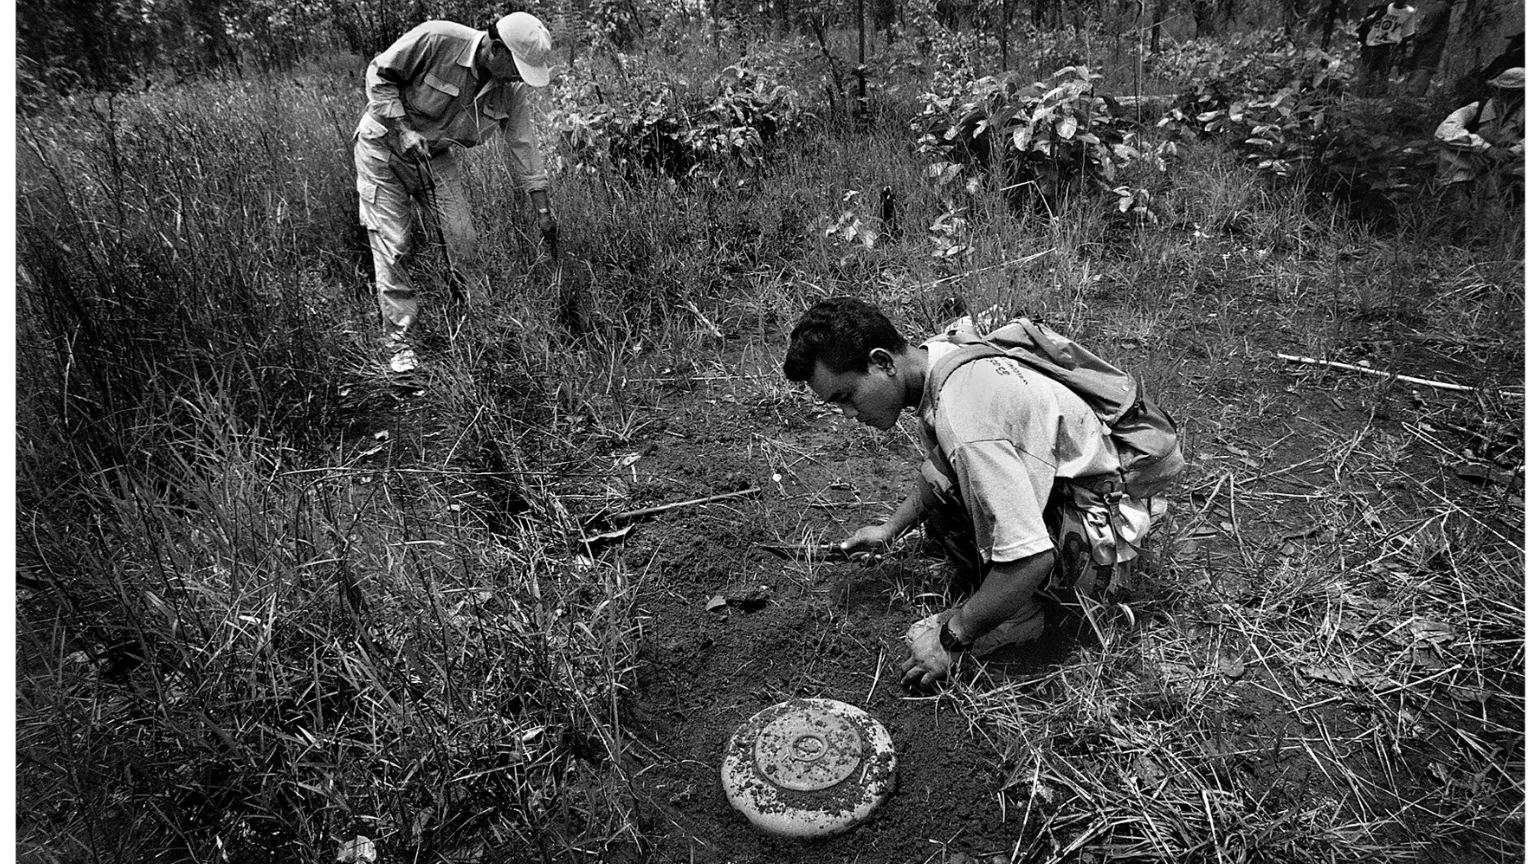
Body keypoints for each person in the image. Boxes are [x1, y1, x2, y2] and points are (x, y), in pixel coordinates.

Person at [782, 298, 1157, 690]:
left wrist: (953, 638)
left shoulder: (966, 418)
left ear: (882, 363)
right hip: (1093, 492)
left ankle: (1023, 617)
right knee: (945, 484)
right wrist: (890, 528)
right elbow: (943, 471)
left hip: (1103, 550)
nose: (848, 415)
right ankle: (1005, 599)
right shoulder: (941, 355)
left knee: (1009, 547)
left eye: (845, 397)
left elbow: (1031, 559)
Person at [354, 12, 560, 375]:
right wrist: (402, 128)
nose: (518, 77)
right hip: (383, 148)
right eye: (517, 67)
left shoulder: (511, 90)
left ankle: (483, 325)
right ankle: (401, 344)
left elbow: (524, 147)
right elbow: (380, 75)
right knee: (394, 244)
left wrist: (543, 210)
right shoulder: (437, 39)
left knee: (464, 238)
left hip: (436, 156)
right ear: (496, 49)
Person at [1435, 66, 1524, 198]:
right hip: (1470, 165)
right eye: (1507, 92)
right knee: (1450, 149)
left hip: (1504, 169)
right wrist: (1486, 149)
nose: (1512, 98)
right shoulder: (1476, 109)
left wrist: (1512, 152)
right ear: (1495, 90)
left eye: (1518, 94)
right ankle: (1455, 193)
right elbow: (1444, 131)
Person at [1357, 0, 1418, 95]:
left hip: (1389, 46)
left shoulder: (1409, 12)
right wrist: (1376, 16)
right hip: (1371, 43)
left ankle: (1380, 97)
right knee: (1367, 72)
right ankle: (1365, 96)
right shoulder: (1381, 7)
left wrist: (1403, 51)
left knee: (1384, 73)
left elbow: (1407, 34)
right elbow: (1364, 25)